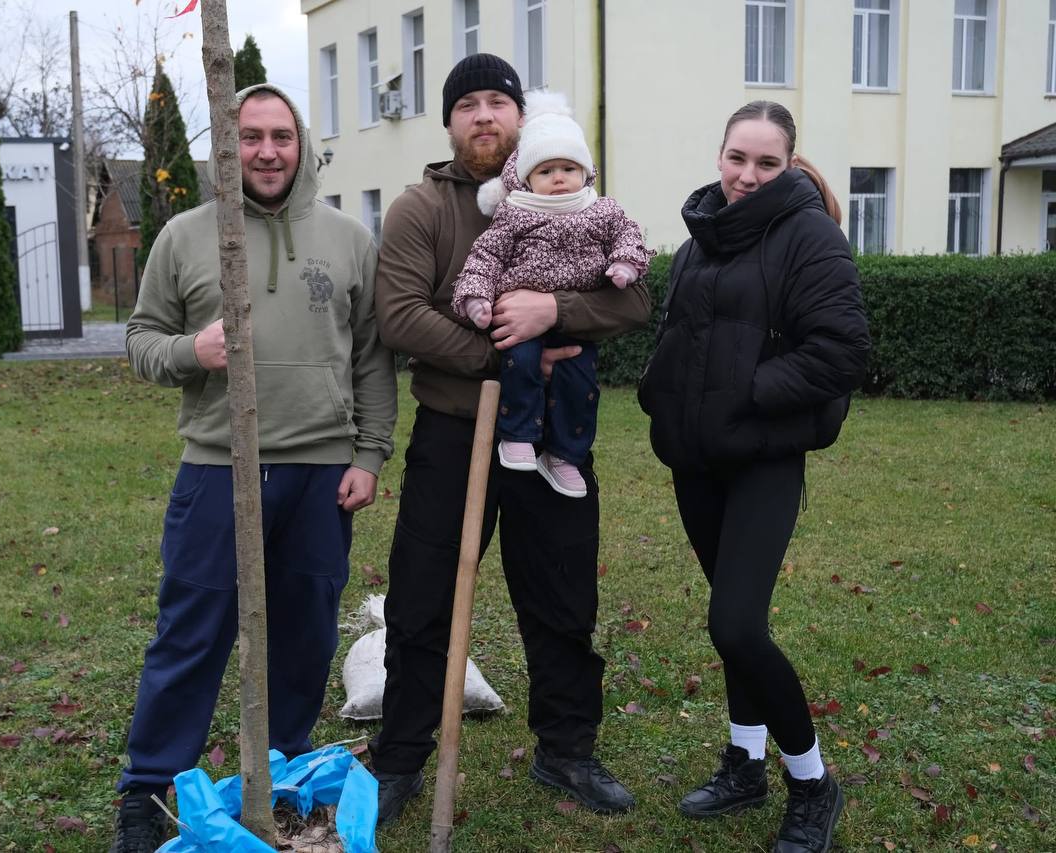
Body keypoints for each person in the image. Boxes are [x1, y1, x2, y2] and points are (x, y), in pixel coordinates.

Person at [111, 83, 398, 853]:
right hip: (217, 467)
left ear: (300, 143)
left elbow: (372, 357)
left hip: (320, 472)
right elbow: (140, 338)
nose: (266, 151)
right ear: (226, 148)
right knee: (192, 630)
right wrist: (188, 352)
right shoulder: (182, 235)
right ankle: (147, 789)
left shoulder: (346, 239)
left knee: (304, 631)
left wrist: (368, 454)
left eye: (281, 136)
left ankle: (281, 765)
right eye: (250, 137)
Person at [368, 53, 651, 825]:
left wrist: (551, 313)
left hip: (553, 437)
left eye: (499, 101)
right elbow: (400, 316)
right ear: (450, 120)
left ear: (523, 116)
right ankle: (398, 760)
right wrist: (499, 347)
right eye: (469, 104)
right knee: (423, 599)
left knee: (562, 595)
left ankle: (567, 748)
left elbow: (632, 301)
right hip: (455, 435)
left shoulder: (574, 194)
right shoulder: (421, 209)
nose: (485, 116)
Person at [637, 100, 870, 853]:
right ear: (719, 155)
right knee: (736, 629)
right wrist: (660, 391)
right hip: (699, 461)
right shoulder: (704, 232)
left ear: (790, 165)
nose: (747, 175)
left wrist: (747, 393)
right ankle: (744, 762)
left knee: (734, 623)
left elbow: (840, 351)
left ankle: (812, 783)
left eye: (767, 163)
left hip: (764, 458)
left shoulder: (810, 236)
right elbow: (682, 335)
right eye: (738, 157)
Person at [451, 91, 654, 498]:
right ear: (526, 179)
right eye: (546, 171)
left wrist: (625, 264)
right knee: (521, 366)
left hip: (576, 323)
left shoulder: (599, 209)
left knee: (580, 384)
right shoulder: (516, 213)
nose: (559, 178)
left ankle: (564, 454)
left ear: (585, 172)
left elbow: (628, 234)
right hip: (520, 322)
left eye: (567, 168)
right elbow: (486, 255)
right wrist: (476, 296)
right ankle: (518, 436)